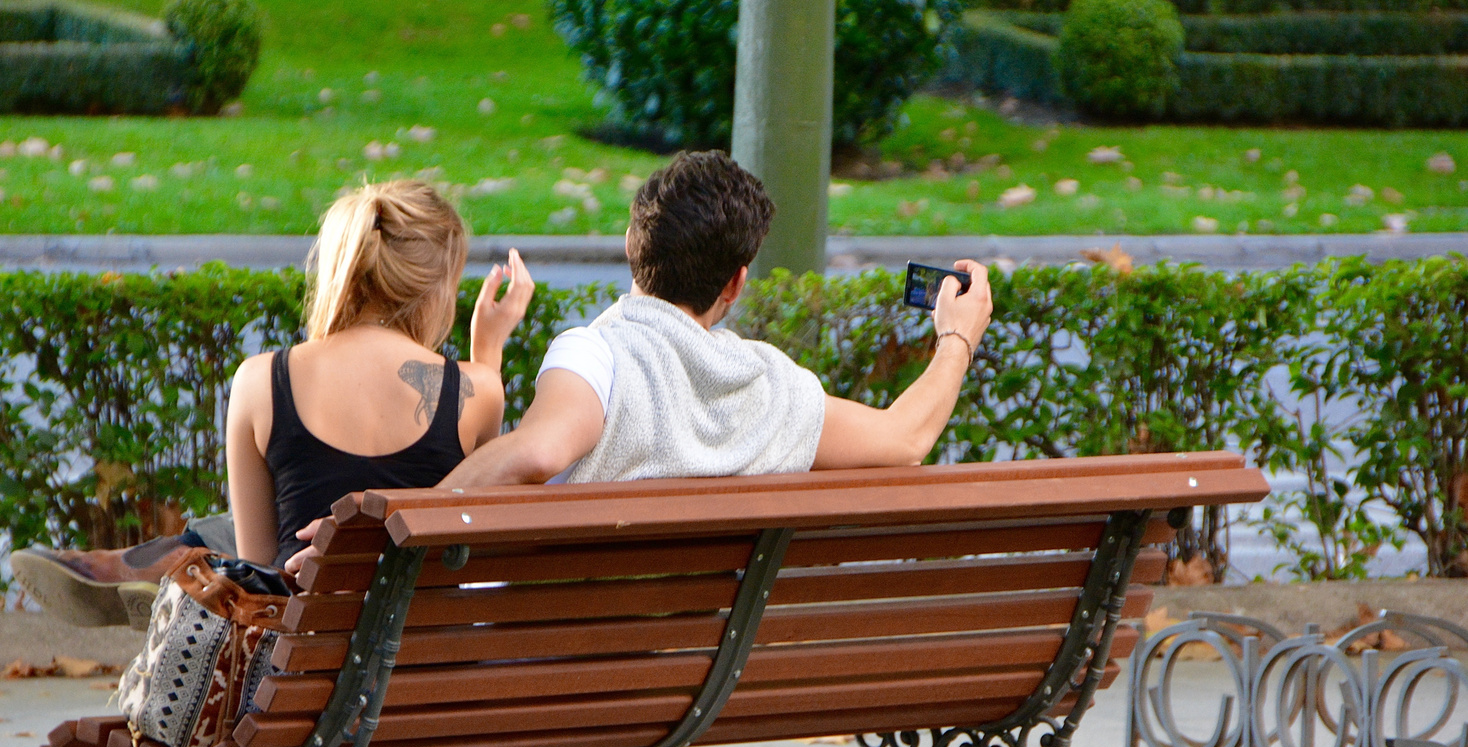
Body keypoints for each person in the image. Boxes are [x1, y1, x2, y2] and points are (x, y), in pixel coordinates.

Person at [84, 178, 535, 747]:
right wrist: (489, 350)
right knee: (209, 560)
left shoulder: (264, 381)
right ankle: (164, 558)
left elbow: (258, 576)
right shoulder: (470, 394)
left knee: (212, 569)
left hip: (290, 679)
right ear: (436, 288)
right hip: (404, 682)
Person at [282, 150, 991, 573]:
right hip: (711, 660)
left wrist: (387, 532)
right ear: (736, 282)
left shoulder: (595, 357)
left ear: (632, 244)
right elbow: (906, 440)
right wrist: (956, 337)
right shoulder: (774, 389)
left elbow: (535, 454)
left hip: (562, 651)